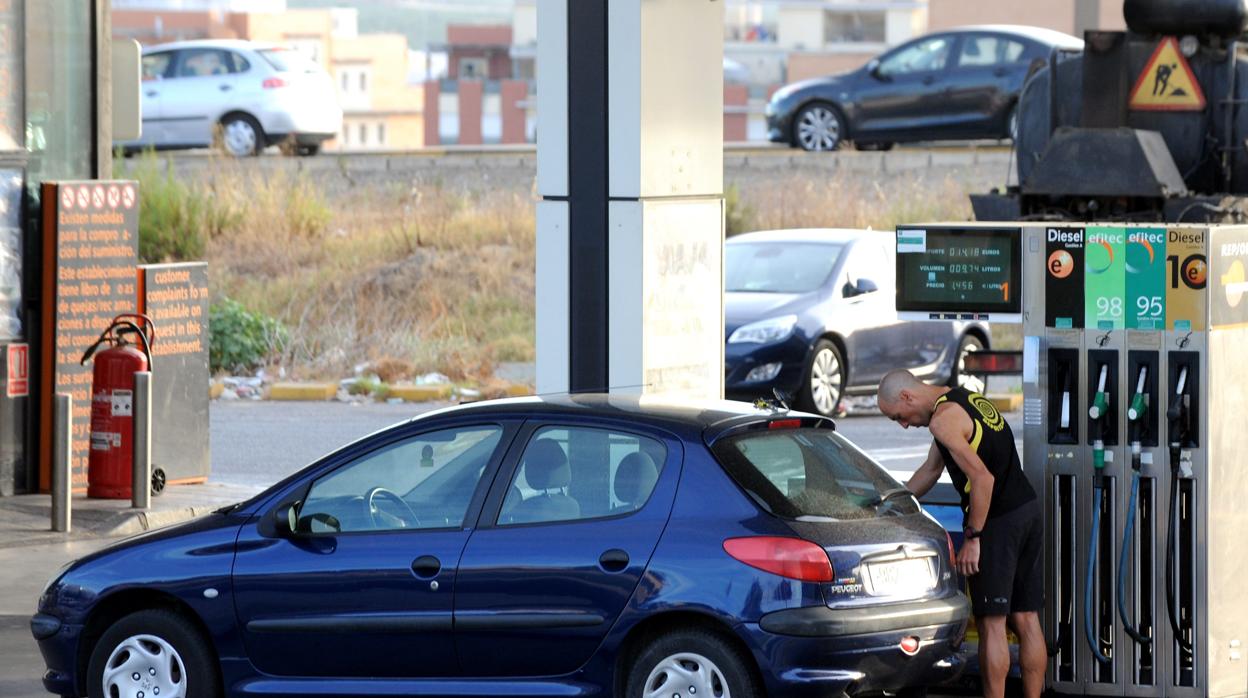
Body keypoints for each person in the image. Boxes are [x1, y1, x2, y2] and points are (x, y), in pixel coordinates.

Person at [876, 369, 1044, 698]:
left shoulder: (943, 421)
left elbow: (983, 480)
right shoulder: (962, 398)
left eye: (899, 416)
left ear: (907, 396)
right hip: (1026, 509)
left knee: (992, 624)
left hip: (996, 522)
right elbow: (930, 470)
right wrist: (894, 503)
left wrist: (973, 538)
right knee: (1026, 617)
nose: (904, 425)